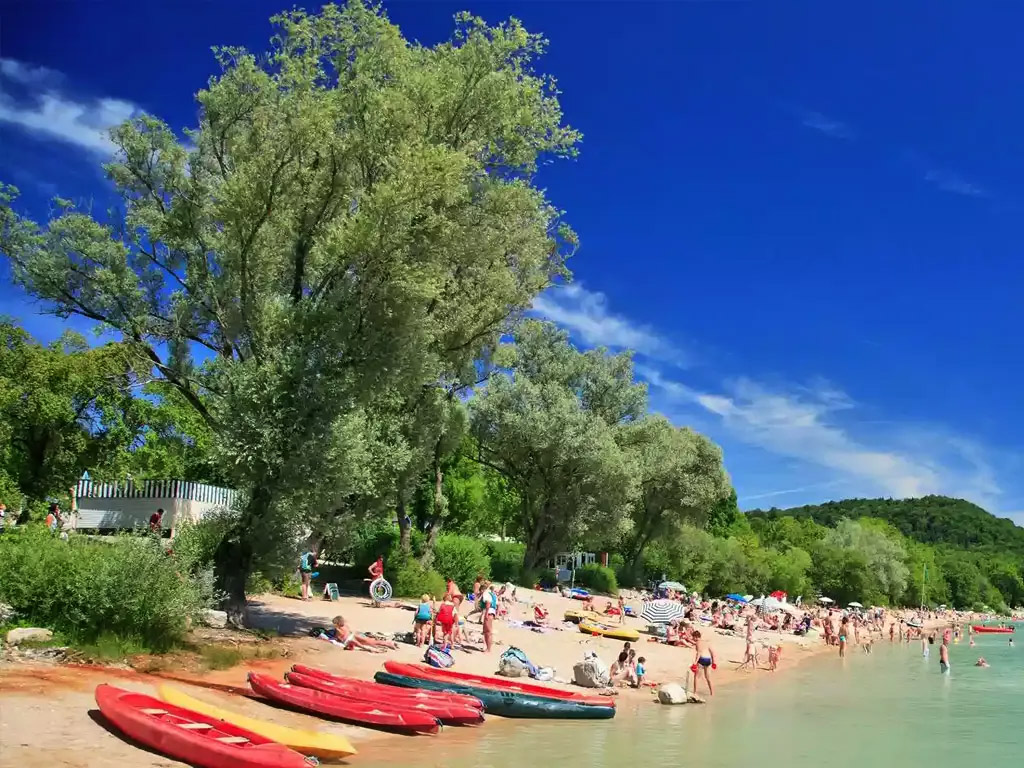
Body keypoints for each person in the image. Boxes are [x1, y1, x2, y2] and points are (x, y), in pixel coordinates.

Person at [328, 615, 398, 653]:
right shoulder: (345, 625)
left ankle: (383, 645)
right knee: (368, 642)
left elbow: (339, 638)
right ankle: (386, 644)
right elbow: (349, 631)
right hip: (351, 636)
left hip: (349, 638)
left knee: (366, 642)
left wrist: (337, 639)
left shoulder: (338, 629)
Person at [691, 630, 716, 696]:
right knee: (708, 678)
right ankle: (712, 693)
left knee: (696, 677)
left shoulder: (698, 643)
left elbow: (699, 652)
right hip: (708, 660)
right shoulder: (706, 643)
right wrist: (714, 662)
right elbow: (712, 653)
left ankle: (695, 692)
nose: (693, 639)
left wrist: (695, 663)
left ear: (696, 637)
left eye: (693, 637)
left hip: (702, 659)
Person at [481, 580, 497, 652]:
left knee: (488, 631)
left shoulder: (486, 593)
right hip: (492, 611)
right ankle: (487, 647)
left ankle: (488, 649)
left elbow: (488, 603)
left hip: (489, 612)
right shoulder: (492, 593)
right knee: (486, 631)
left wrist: (486, 613)